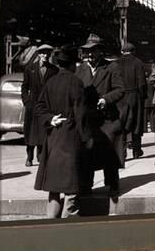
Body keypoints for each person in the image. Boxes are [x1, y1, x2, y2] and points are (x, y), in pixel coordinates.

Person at [33, 45, 91, 218]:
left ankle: (49, 223)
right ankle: (67, 225)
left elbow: (39, 106)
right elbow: (81, 114)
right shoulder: (76, 82)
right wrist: (87, 138)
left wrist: (51, 119)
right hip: (71, 138)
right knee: (71, 188)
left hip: (53, 137)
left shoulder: (51, 82)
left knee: (54, 187)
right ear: (73, 65)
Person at [75, 34, 125, 200]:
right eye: (86, 52)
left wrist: (106, 99)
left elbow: (120, 90)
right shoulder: (80, 69)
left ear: (100, 52)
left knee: (109, 152)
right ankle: (85, 185)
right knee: (86, 153)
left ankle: (113, 184)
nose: (89, 55)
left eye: (93, 51)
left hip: (106, 119)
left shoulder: (112, 67)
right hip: (88, 119)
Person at [21, 44, 58, 167]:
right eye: (43, 53)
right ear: (38, 54)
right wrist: (26, 101)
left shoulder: (54, 70)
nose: (45, 55)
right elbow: (24, 87)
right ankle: (29, 157)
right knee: (30, 131)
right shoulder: (30, 68)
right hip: (32, 105)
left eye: (48, 53)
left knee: (43, 130)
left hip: (46, 105)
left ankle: (41, 157)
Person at [115, 42, 147, 159]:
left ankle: (122, 152)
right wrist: (142, 96)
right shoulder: (138, 63)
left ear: (122, 51)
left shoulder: (116, 64)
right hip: (135, 95)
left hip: (120, 96)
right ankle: (136, 150)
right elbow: (142, 83)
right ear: (133, 51)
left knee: (122, 123)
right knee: (136, 123)